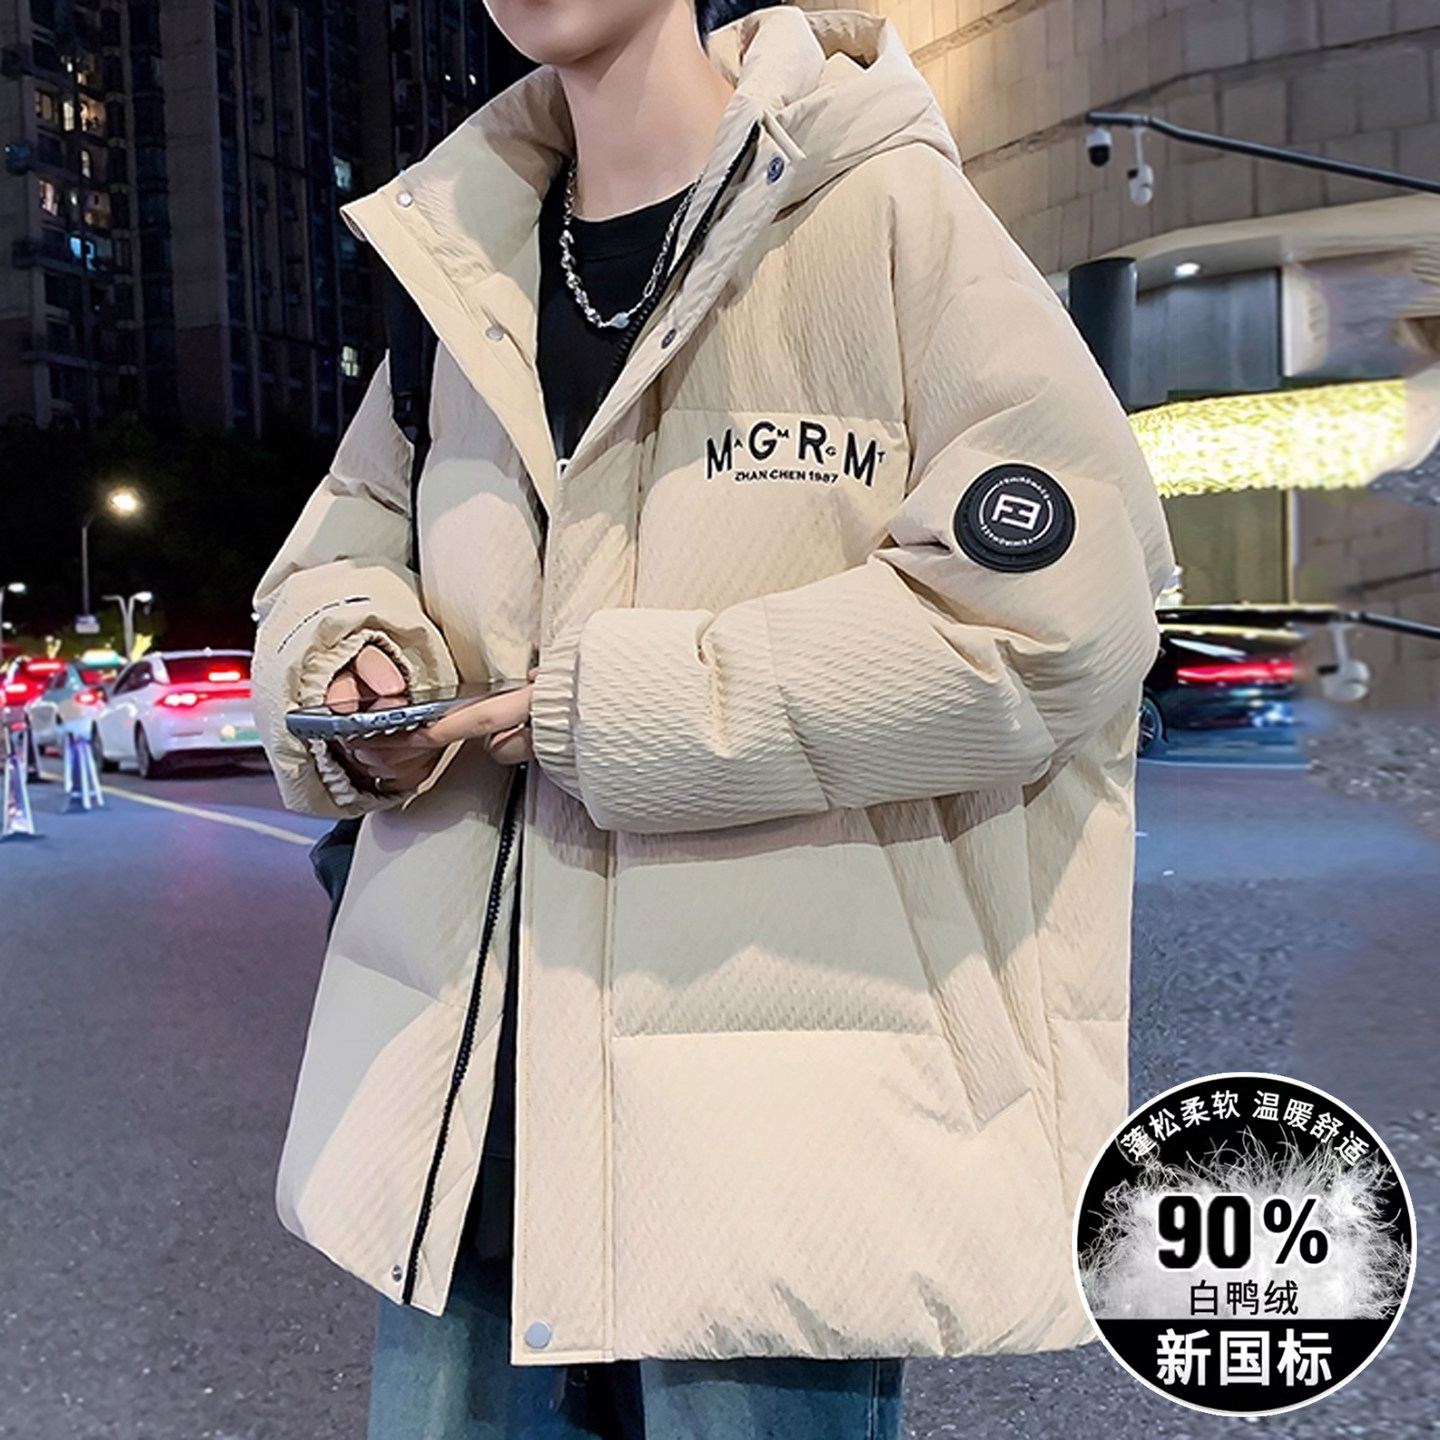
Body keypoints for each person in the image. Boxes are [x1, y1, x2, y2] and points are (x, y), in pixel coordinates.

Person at [251, 0, 1176, 1435]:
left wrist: (608, 710)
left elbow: (1054, 613)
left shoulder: (880, 211)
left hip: (771, 1144)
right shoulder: (459, 261)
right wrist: (354, 656)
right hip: (473, 1122)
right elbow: (338, 553)